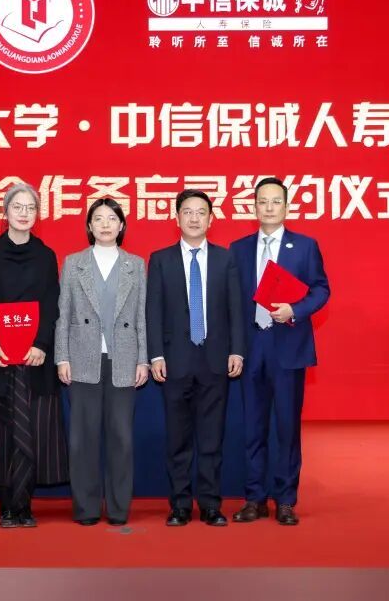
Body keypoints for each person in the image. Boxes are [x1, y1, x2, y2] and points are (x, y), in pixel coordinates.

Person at [229, 177, 330, 526]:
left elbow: (321, 289)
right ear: (253, 207)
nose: (269, 207)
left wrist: (295, 310)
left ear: (286, 207)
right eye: (263, 201)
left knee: (286, 426)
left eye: (275, 202)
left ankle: (285, 499)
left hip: (287, 345)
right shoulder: (238, 249)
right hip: (251, 345)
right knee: (252, 427)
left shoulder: (304, 246)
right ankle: (254, 498)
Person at [0, 182, 68, 528]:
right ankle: (6, 506)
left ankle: (23, 505)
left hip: (33, 359)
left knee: (31, 429)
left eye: (30, 208)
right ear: (5, 211)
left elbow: (51, 304)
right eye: (18, 207)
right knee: (2, 432)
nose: (24, 214)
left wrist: (41, 344)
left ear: (37, 214)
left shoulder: (45, 255)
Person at [147, 189, 245, 527]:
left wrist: (237, 349)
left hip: (215, 360)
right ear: (176, 218)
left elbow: (235, 308)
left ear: (211, 219)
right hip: (174, 360)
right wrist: (155, 354)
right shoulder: (160, 259)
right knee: (178, 439)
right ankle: (179, 505)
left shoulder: (225, 259)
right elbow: (153, 310)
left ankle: (210, 504)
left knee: (211, 439)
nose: (193, 218)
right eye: (187, 212)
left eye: (201, 212)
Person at [55, 198, 149, 526]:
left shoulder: (135, 265)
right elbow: (63, 314)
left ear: (122, 225)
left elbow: (142, 316)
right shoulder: (73, 263)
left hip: (124, 359)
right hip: (83, 359)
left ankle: (119, 509)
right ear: (89, 225)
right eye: (99, 218)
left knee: (121, 438)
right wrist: (62, 357)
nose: (106, 224)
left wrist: (143, 359)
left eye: (112, 218)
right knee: (83, 439)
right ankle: (86, 508)